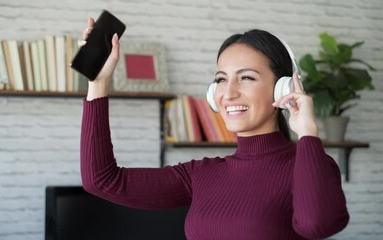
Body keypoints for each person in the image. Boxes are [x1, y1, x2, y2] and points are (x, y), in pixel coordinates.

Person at [79, 17, 349, 240]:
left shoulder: (311, 165)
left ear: (283, 88)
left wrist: (307, 133)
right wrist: (99, 82)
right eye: (221, 79)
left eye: (246, 78)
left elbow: (317, 225)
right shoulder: (200, 175)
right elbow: (101, 181)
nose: (228, 93)